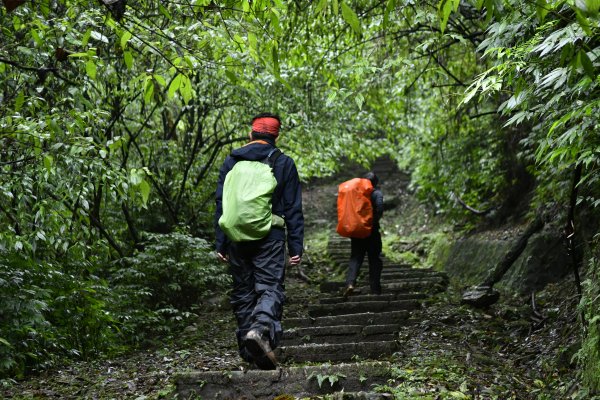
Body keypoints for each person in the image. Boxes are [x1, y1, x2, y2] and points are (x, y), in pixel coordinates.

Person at [214, 112, 304, 370]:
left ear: (250, 133)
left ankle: (248, 347)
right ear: (276, 136)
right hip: (270, 237)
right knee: (270, 287)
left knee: (243, 292)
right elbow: (293, 208)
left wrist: (220, 241)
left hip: (235, 236)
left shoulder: (232, 160)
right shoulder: (283, 162)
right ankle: (261, 330)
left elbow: (221, 201)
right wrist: (296, 245)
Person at [344, 171, 384, 297]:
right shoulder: (376, 193)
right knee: (374, 259)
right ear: (376, 183)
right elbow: (380, 208)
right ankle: (375, 289)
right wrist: (373, 221)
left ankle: (350, 283)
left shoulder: (356, 194)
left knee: (355, 258)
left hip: (357, 232)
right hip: (372, 232)